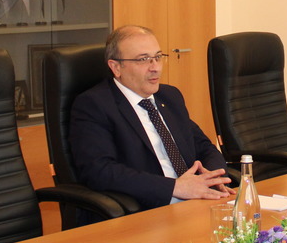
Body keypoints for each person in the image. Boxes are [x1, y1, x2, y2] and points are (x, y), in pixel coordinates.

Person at [69, 25, 231, 209]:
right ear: (116, 67)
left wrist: (212, 177)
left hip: (196, 201)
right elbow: (100, 171)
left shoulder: (169, 96)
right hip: (150, 207)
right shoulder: (94, 105)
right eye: (143, 59)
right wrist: (175, 187)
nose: (155, 68)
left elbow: (204, 147)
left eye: (158, 57)